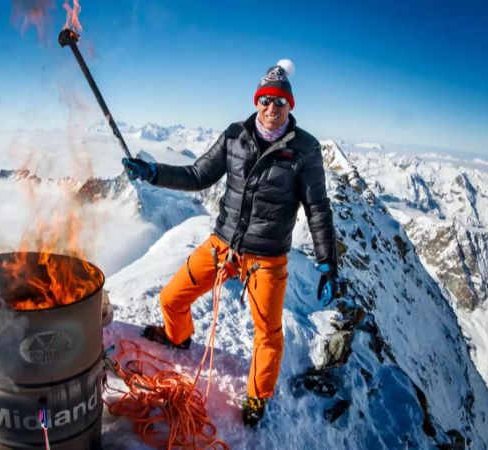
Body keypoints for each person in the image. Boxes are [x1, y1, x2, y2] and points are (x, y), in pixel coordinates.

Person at [121, 59, 341, 427]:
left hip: (267, 258)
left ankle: (257, 397)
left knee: (268, 333)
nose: (272, 108)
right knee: (171, 298)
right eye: (266, 100)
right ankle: (179, 339)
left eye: (280, 102)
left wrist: (327, 261)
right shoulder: (235, 136)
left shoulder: (305, 150)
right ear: (256, 101)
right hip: (222, 245)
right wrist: (154, 173)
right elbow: (197, 175)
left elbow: (317, 207)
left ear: (291, 106)